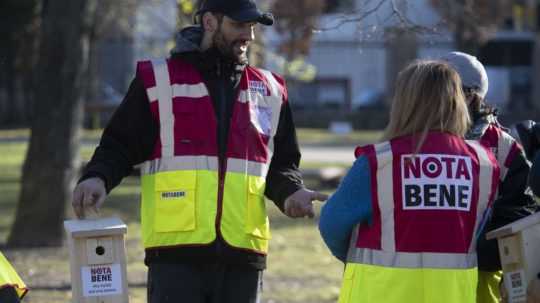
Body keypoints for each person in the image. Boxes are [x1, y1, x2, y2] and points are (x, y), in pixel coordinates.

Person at [71, 0, 327, 302]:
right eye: (239, 25)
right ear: (209, 23)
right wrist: (98, 176)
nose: (249, 36)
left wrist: (290, 193)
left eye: (252, 27)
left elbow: (280, 165)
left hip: (243, 258)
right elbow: (119, 145)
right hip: (175, 259)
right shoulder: (158, 81)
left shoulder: (271, 90)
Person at [319, 60, 500, 303]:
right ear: (457, 102)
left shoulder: (379, 162)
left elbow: (332, 224)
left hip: (380, 294)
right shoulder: (484, 164)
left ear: (405, 103)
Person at [441, 51, 539, 303]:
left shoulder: (502, 146)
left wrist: (477, 248)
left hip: (481, 285)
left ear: (471, 94)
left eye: (443, 88)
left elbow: (519, 215)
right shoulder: (412, 140)